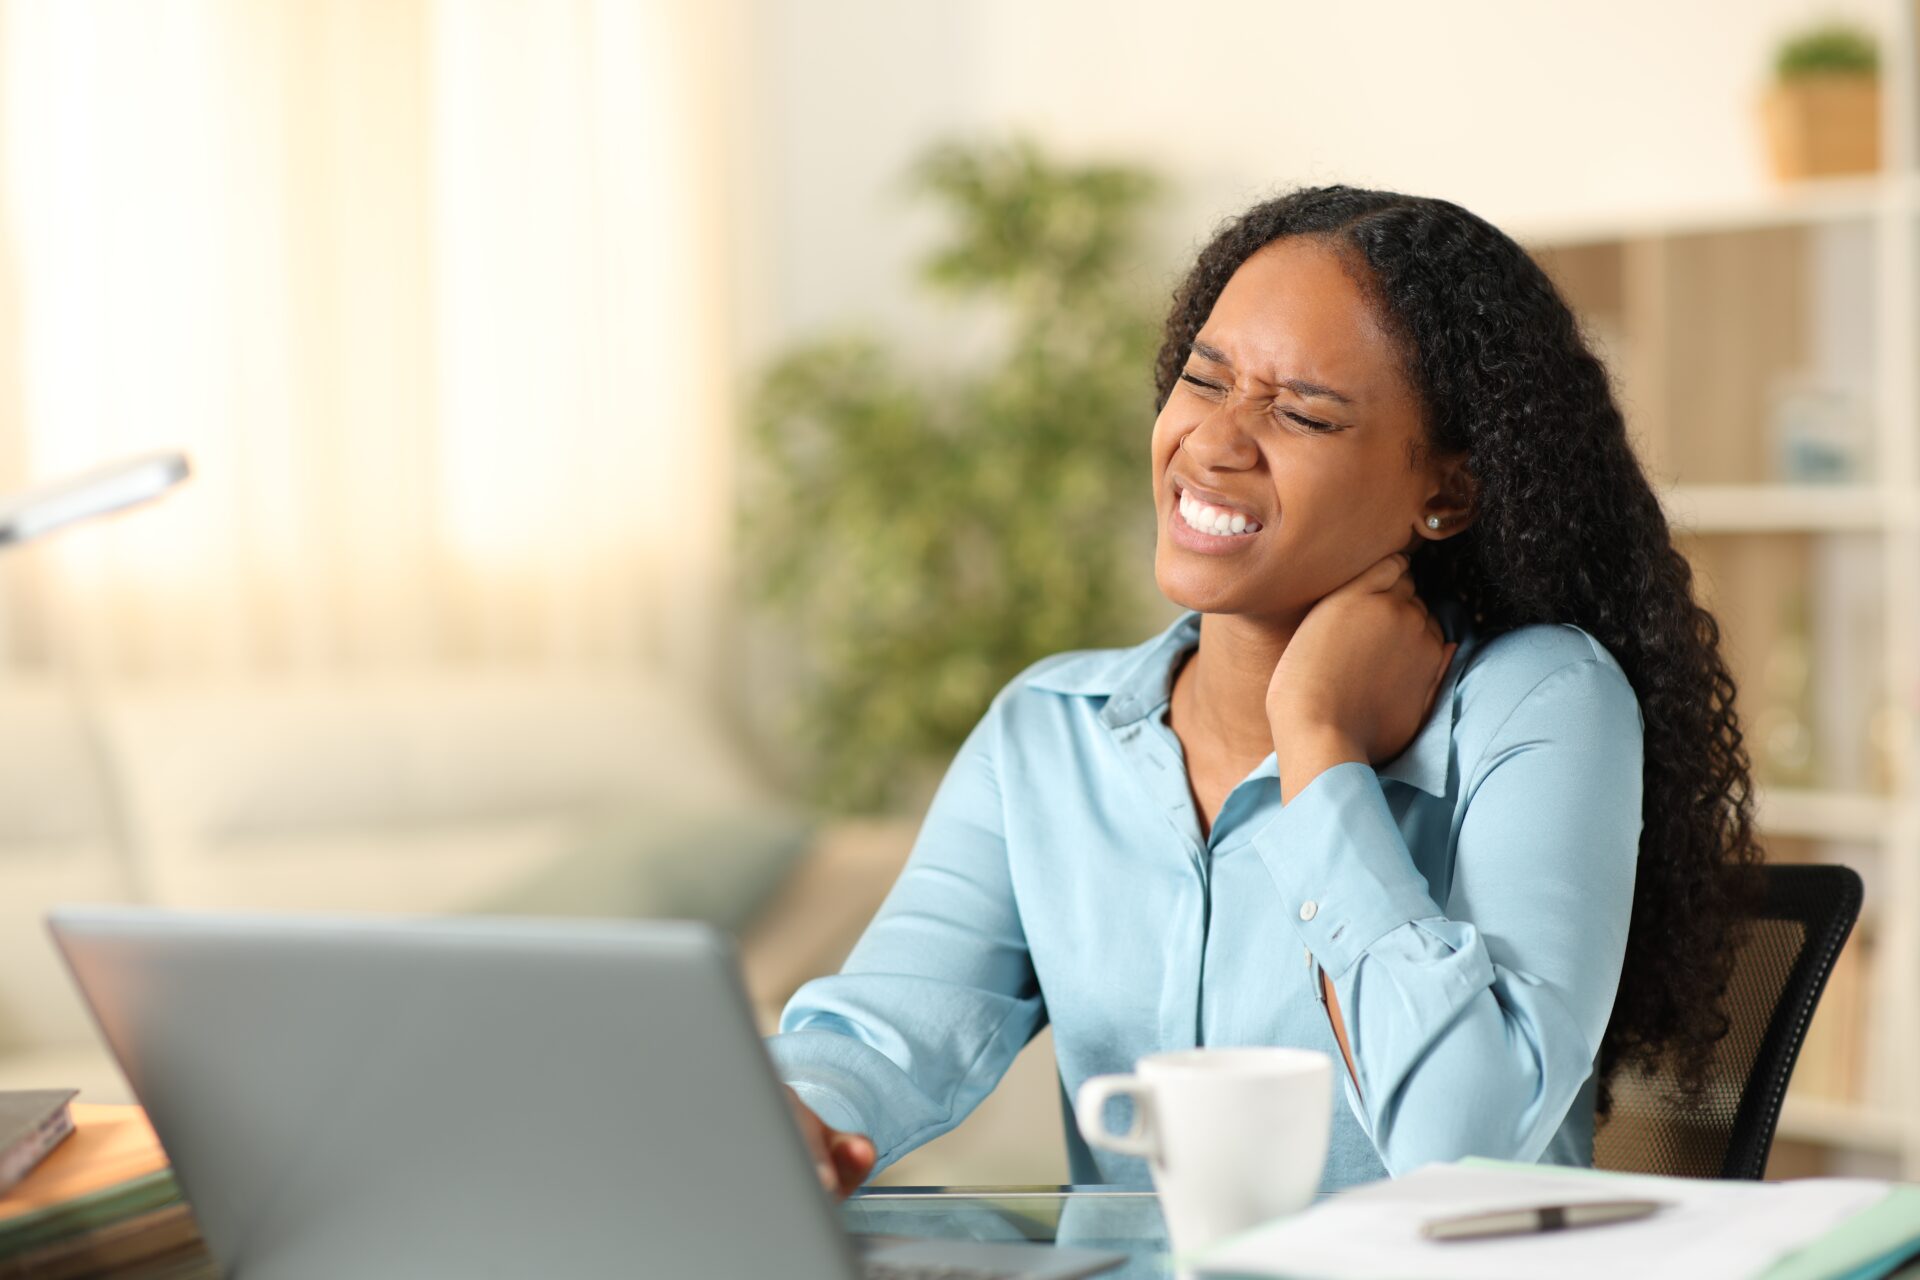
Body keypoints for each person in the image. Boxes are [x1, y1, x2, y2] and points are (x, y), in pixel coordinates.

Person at [770, 185, 1759, 1196]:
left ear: (1448, 491)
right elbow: (883, 1034)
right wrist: (789, 1115)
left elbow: (1463, 1145)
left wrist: (1320, 740)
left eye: (1301, 411)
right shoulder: (1046, 733)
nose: (1216, 441)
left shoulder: (1540, 701)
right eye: (1205, 380)